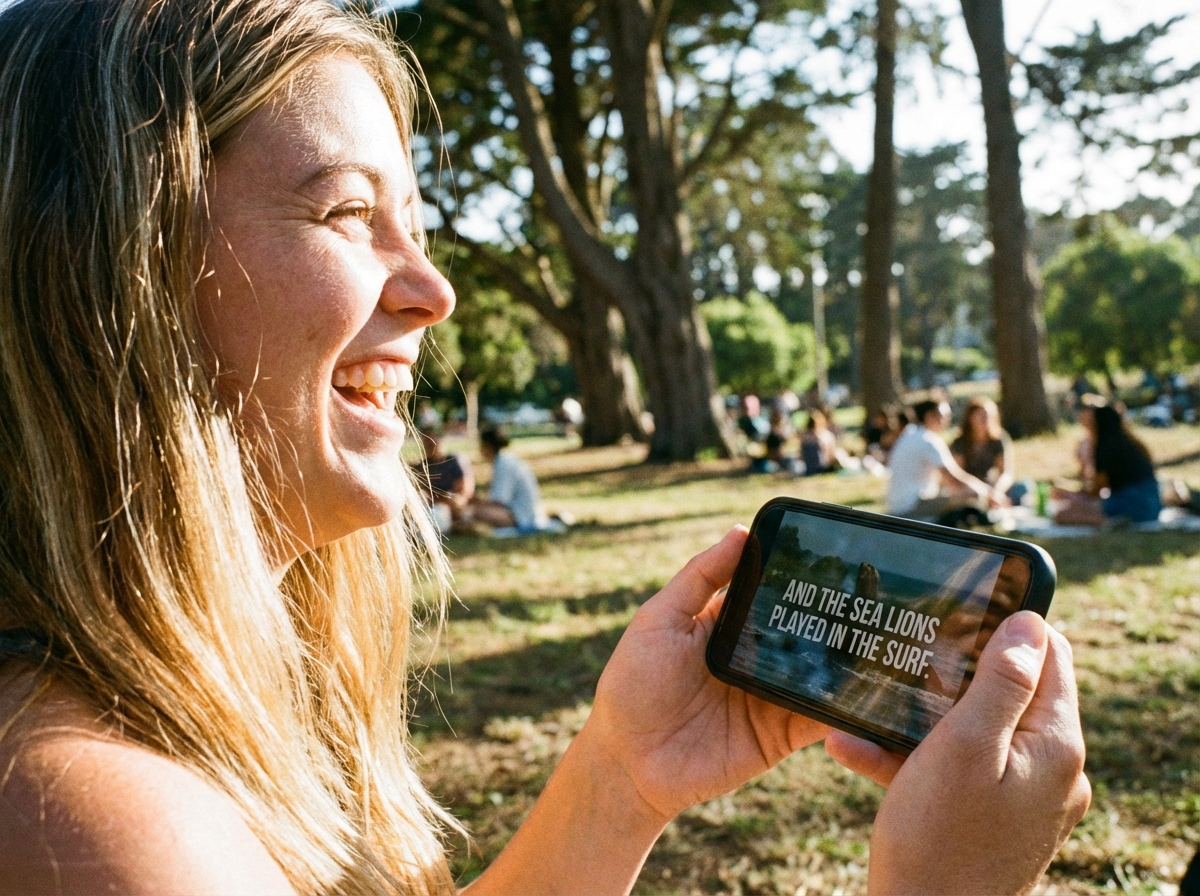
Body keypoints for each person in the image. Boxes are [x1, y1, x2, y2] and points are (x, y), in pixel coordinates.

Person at [0, 1, 1088, 892]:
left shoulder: (135, 722)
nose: (434, 291)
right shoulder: (93, 824)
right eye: (345, 213)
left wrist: (619, 777)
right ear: (112, 269)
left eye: (416, 228)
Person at [887, 399, 1008, 523]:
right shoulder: (929, 440)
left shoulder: (910, 434)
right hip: (912, 508)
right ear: (930, 416)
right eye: (944, 416)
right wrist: (987, 493)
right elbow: (954, 479)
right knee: (972, 494)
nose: (948, 421)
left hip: (898, 506)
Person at [1054, 402, 1162, 525]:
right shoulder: (1130, 443)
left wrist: (1070, 495)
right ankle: (1114, 520)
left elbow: (1096, 490)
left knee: (1063, 515)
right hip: (1153, 505)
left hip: (1131, 503)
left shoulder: (1105, 448)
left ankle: (1110, 522)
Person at [465, 426, 563, 535]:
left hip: (522, 517)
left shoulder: (504, 463)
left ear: (487, 446)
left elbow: (500, 501)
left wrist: (477, 503)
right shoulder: (503, 460)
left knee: (475, 512)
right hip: (520, 512)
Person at [950, 396, 1015, 499]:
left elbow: (1006, 473)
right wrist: (982, 490)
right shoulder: (960, 443)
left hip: (991, 485)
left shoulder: (998, 439)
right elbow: (957, 474)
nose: (985, 419)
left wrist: (997, 491)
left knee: (1022, 488)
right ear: (970, 418)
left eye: (988, 416)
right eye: (981, 415)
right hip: (968, 487)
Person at [413, 427, 475, 532]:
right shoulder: (422, 467)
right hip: (432, 505)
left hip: (452, 503)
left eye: (434, 441)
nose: (431, 446)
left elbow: (464, 492)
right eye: (427, 443)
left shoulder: (454, 461)